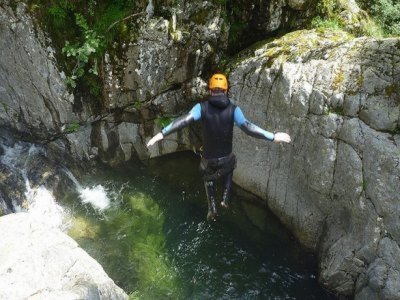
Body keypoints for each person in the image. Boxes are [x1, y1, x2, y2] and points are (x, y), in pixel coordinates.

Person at [147, 73, 291, 221]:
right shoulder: (234, 110)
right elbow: (249, 128)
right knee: (230, 166)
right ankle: (225, 198)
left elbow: (184, 120)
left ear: (210, 91)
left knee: (207, 177)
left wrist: (161, 134)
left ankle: (212, 208)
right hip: (226, 158)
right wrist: (273, 136)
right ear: (226, 91)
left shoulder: (201, 108)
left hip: (209, 160)